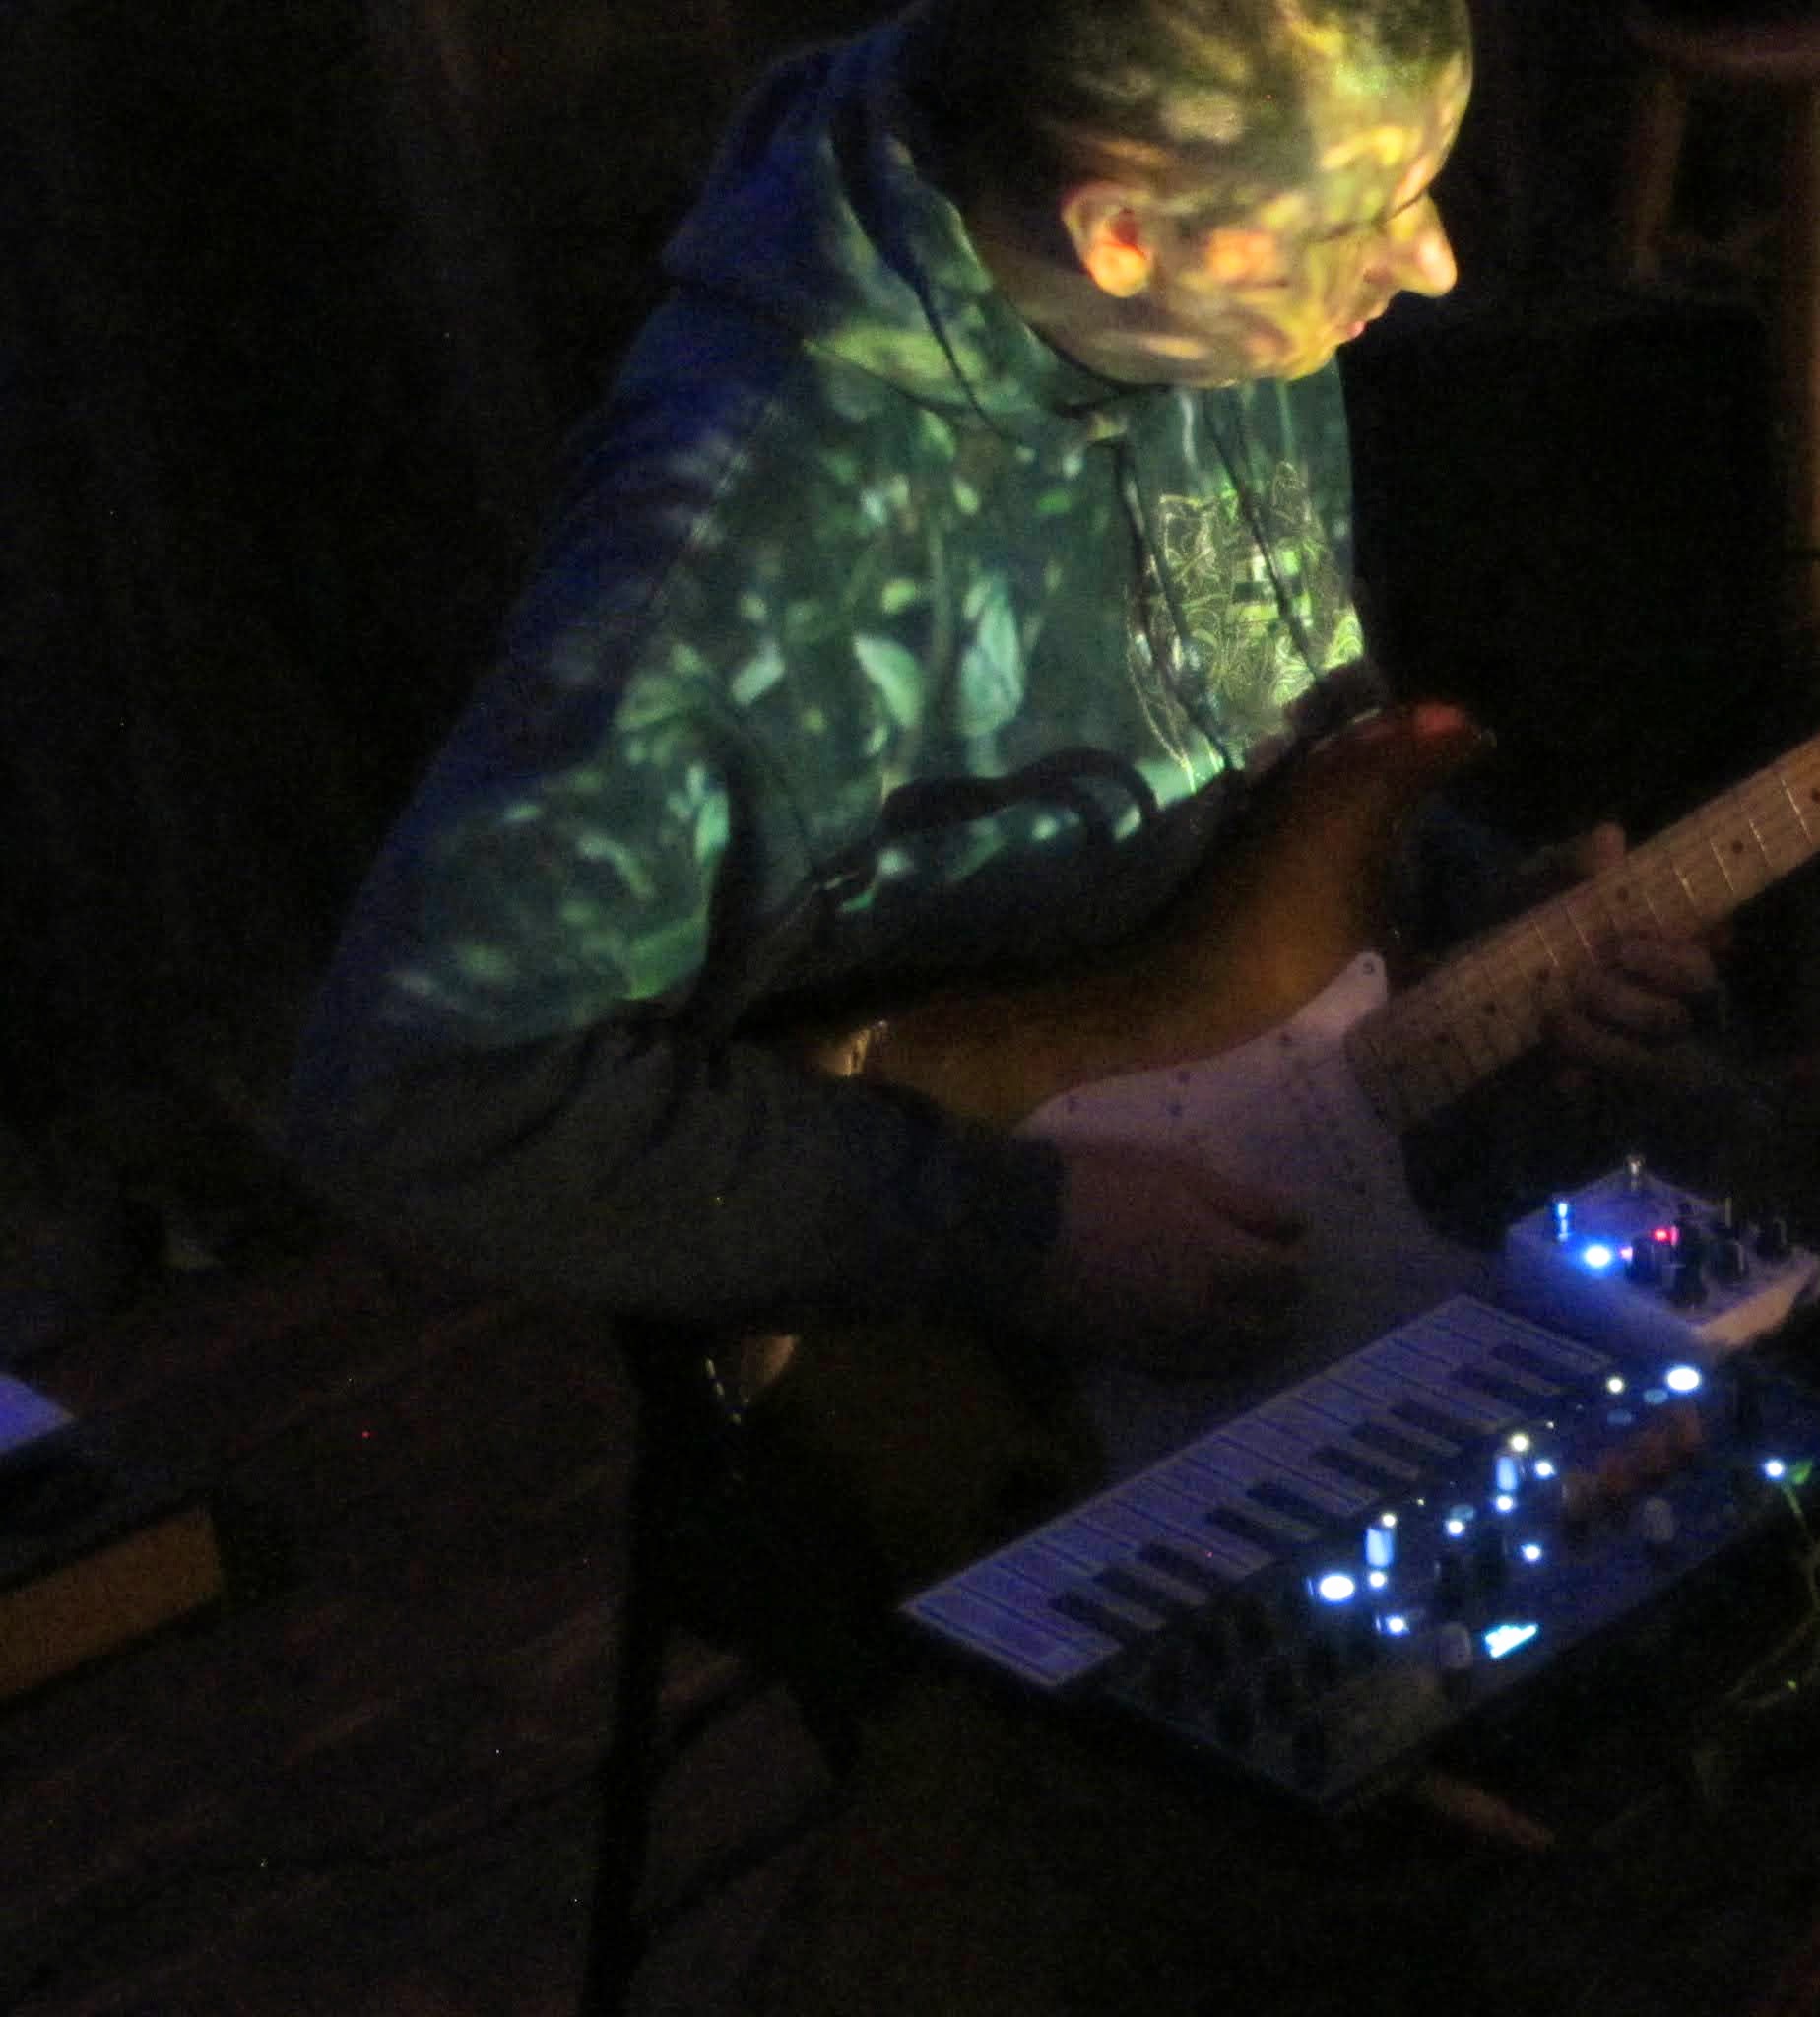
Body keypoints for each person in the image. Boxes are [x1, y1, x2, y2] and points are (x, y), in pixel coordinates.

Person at [285, 0, 1713, 1387]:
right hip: (971, 1402)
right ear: (1120, 236)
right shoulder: (746, 552)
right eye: (1360, 220)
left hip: (1300, 1219)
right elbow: (420, 1096)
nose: (1435, 263)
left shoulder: (1217, 310)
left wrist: (1473, 930)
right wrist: (1009, 1229)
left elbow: (1267, 763)